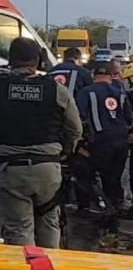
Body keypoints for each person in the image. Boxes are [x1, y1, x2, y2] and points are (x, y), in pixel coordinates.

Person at [0, 37, 82, 246]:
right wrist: (64, 151)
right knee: (49, 220)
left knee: (19, 227)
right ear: (38, 61)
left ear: (11, 60)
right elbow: (75, 129)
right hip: (47, 168)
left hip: (10, 169)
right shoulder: (56, 89)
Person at [76, 61, 133, 221]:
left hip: (99, 142)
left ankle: (89, 207)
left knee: (85, 174)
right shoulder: (120, 93)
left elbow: (78, 117)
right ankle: (116, 206)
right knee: (114, 177)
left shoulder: (86, 92)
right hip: (121, 142)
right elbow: (129, 118)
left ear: (94, 76)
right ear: (111, 76)